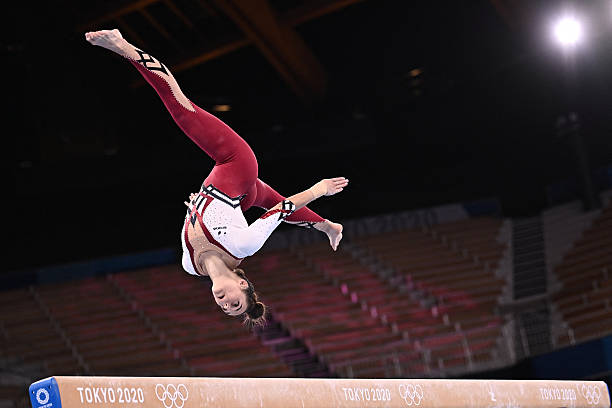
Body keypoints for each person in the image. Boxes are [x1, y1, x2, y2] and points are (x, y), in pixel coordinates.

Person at [85, 29, 348, 327]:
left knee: (261, 196)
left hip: (236, 193)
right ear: (243, 284)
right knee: (182, 109)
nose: (225, 302)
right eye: (235, 302)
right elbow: (281, 209)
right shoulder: (244, 245)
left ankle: (328, 227)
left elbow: (206, 220)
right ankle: (123, 46)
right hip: (236, 165)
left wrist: (198, 208)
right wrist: (319, 188)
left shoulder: (189, 265)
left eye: (225, 308)